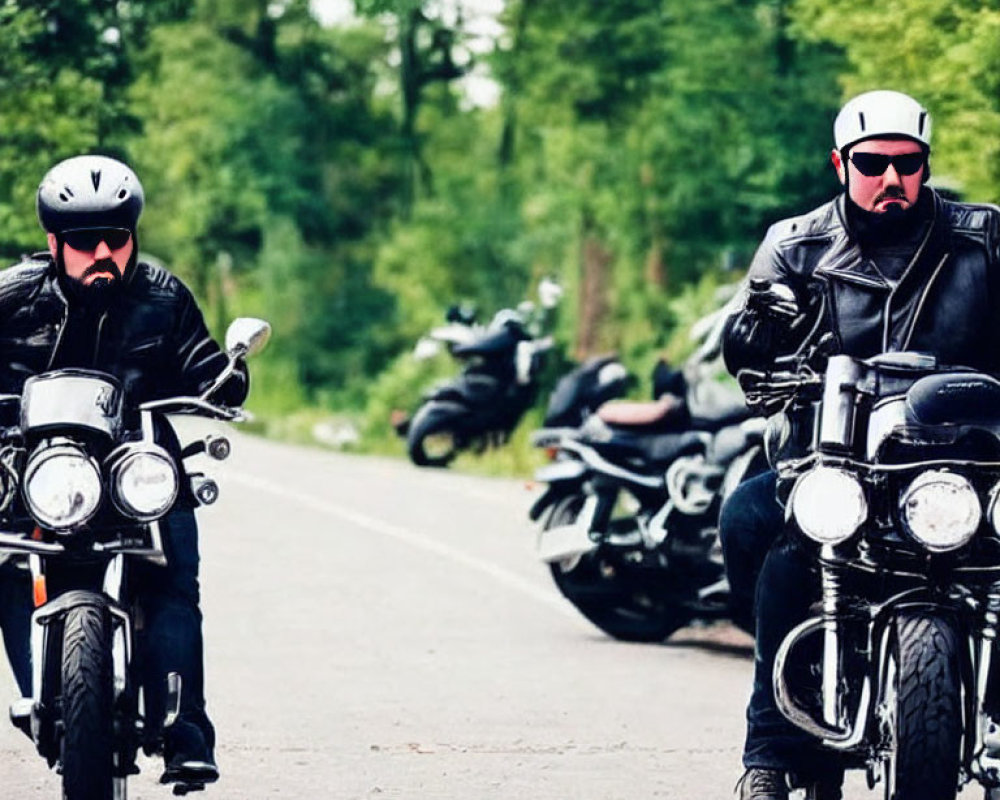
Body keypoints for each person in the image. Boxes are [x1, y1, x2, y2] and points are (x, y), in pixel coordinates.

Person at [718, 90, 1000, 799]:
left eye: (908, 164)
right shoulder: (797, 243)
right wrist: (750, 339)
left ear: (925, 165)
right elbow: (749, 334)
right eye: (872, 164)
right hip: (835, 454)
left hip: (964, 459)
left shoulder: (984, 238)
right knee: (760, 530)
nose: (892, 179)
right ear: (840, 164)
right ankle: (773, 754)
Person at [0, 154, 249, 786]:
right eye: (85, 242)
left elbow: (204, 366)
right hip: (43, 474)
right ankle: (37, 694)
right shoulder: (13, 298)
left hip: (138, 470)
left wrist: (229, 378)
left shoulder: (163, 297)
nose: (103, 252)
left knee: (173, 578)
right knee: (3, 557)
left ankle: (186, 729)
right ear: (55, 243)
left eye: (116, 236)